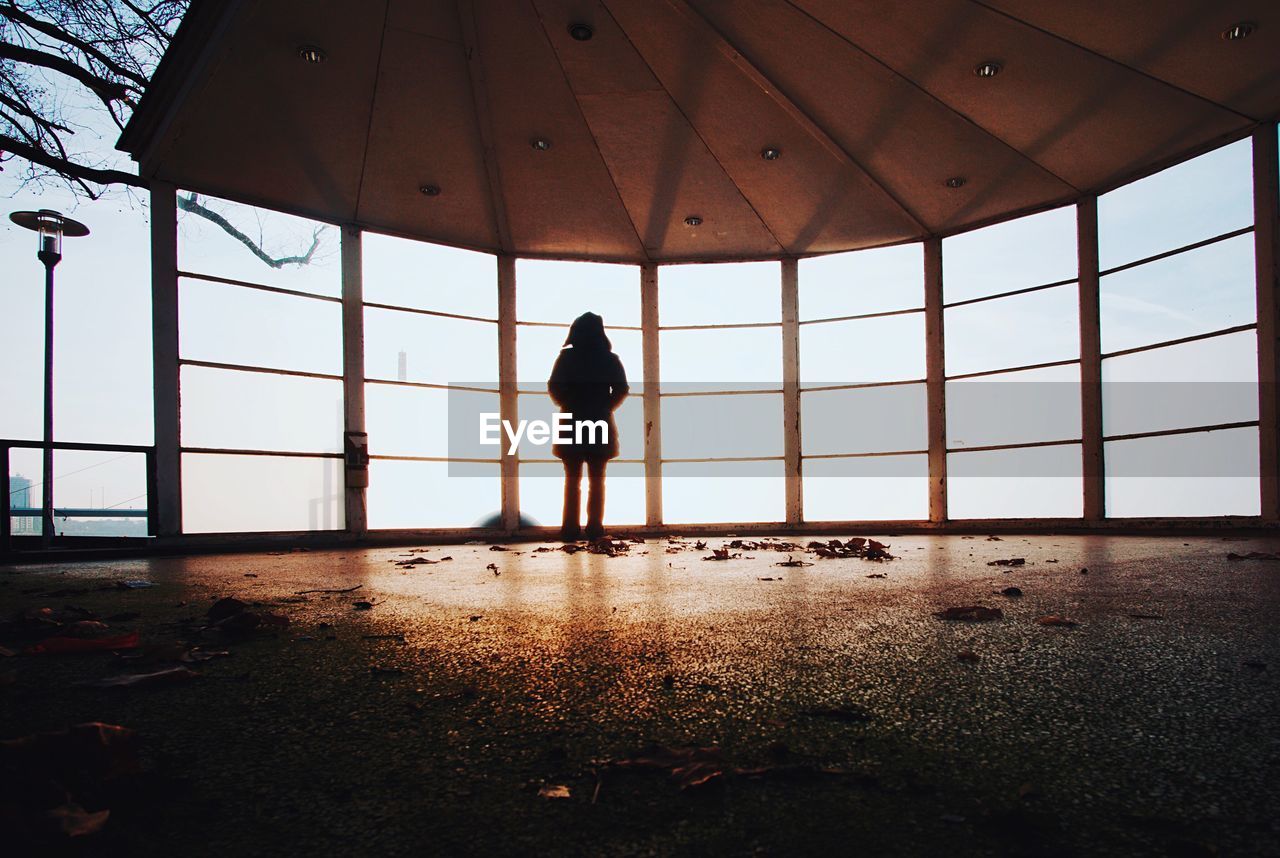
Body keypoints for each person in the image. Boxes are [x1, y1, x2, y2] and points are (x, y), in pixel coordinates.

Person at [548, 312, 629, 541]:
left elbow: (553, 387)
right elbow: (622, 389)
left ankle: (569, 529)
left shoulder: (566, 358)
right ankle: (594, 528)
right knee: (597, 481)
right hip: (599, 421)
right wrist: (605, 407)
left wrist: (568, 403)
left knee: (572, 481)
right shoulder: (610, 359)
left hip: (572, 422)